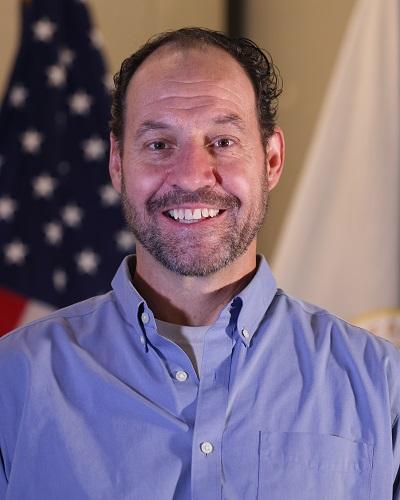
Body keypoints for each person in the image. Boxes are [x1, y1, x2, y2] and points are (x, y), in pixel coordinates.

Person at [0, 27, 399, 500]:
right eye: (158, 144)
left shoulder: (384, 386)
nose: (191, 173)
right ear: (117, 163)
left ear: (271, 160)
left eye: (224, 141)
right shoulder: (13, 382)